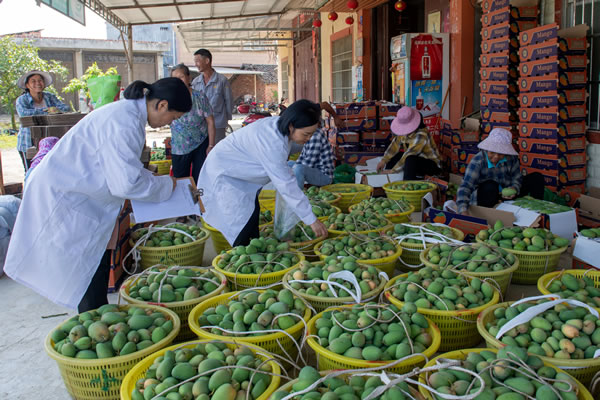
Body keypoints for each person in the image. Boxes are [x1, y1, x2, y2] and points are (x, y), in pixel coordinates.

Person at [4, 78, 192, 312]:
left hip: (81, 194)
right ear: (162, 105)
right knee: (84, 270)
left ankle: (96, 314)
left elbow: (125, 170)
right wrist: (166, 185)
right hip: (67, 196)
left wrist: (154, 181)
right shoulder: (124, 121)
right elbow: (127, 183)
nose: (170, 123)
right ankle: (94, 317)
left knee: (92, 265)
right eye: (173, 118)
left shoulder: (128, 115)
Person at [198, 99, 329, 247]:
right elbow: (286, 185)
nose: (308, 138)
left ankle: (252, 252)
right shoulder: (272, 142)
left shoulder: (280, 126)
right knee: (240, 223)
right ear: (292, 126)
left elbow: (289, 147)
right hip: (226, 177)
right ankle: (243, 261)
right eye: (306, 134)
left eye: (311, 135)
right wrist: (311, 219)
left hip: (241, 177)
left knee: (251, 214)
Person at [456, 128, 545, 215]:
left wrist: (514, 188)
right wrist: (463, 211)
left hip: (506, 195)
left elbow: (517, 178)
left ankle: (536, 213)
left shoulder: (511, 158)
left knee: (536, 177)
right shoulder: (478, 161)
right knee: (490, 186)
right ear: (487, 150)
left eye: (500, 153)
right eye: (492, 153)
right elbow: (465, 187)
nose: (496, 157)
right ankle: (490, 215)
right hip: (486, 197)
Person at [15, 70, 70, 172]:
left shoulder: (49, 97)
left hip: (49, 140)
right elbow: (24, 114)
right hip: (28, 141)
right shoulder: (22, 100)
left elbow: (65, 108)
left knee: (49, 171)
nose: (37, 83)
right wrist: (47, 110)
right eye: (33, 81)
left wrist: (57, 109)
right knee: (31, 172)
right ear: (27, 85)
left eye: (40, 80)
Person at [170, 64, 216, 183]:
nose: (178, 81)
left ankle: (200, 201)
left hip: (200, 143)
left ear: (189, 78)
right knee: (180, 180)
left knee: (201, 178)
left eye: (181, 77)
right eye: (175, 78)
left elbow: (210, 121)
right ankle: (184, 201)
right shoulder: (169, 98)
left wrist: (210, 145)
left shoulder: (199, 97)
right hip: (180, 146)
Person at [376, 106, 441, 179]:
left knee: (410, 159)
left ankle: (408, 183)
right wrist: (383, 161)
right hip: (415, 160)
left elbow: (409, 153)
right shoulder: (404, 133)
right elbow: (394, 146)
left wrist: (393, 171)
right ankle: (389, 178)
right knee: (396, 156)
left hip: (431, 165)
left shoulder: (422, 135)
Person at [287, 102, 341, 188]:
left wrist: (292, 171)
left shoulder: (315, 136)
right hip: (314, 170)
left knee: (299, 169)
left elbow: (307, 164)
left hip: (324, 176)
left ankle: (297, 195)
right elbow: (301, 158)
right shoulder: (307, 134)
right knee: (288, 164)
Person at [192, 49, 233, 144]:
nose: (196, 64)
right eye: (195, 62)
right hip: (200, 125)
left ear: (207, 61)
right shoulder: (195, 82)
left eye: (197, 61)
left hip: (217, 124)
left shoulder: (222, 81)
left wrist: (226, 121)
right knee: (202, 154)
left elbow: (229, 102)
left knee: (216, 152)